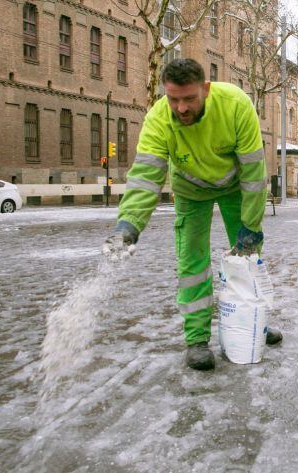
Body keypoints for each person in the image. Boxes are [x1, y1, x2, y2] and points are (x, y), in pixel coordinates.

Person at [101, 58, 282, 372]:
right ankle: (197, 339)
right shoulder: (159, 118)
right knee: (192, 263)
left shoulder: (236, 105)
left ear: (206, 89)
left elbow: (254, 174)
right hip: (190, 190)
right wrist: (129, 224)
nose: (181, 108)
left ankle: (255, 324)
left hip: (234, 188)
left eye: (189, 99)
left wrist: (251, 226)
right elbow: (146, 175)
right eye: (173, 99)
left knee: (248, 258)